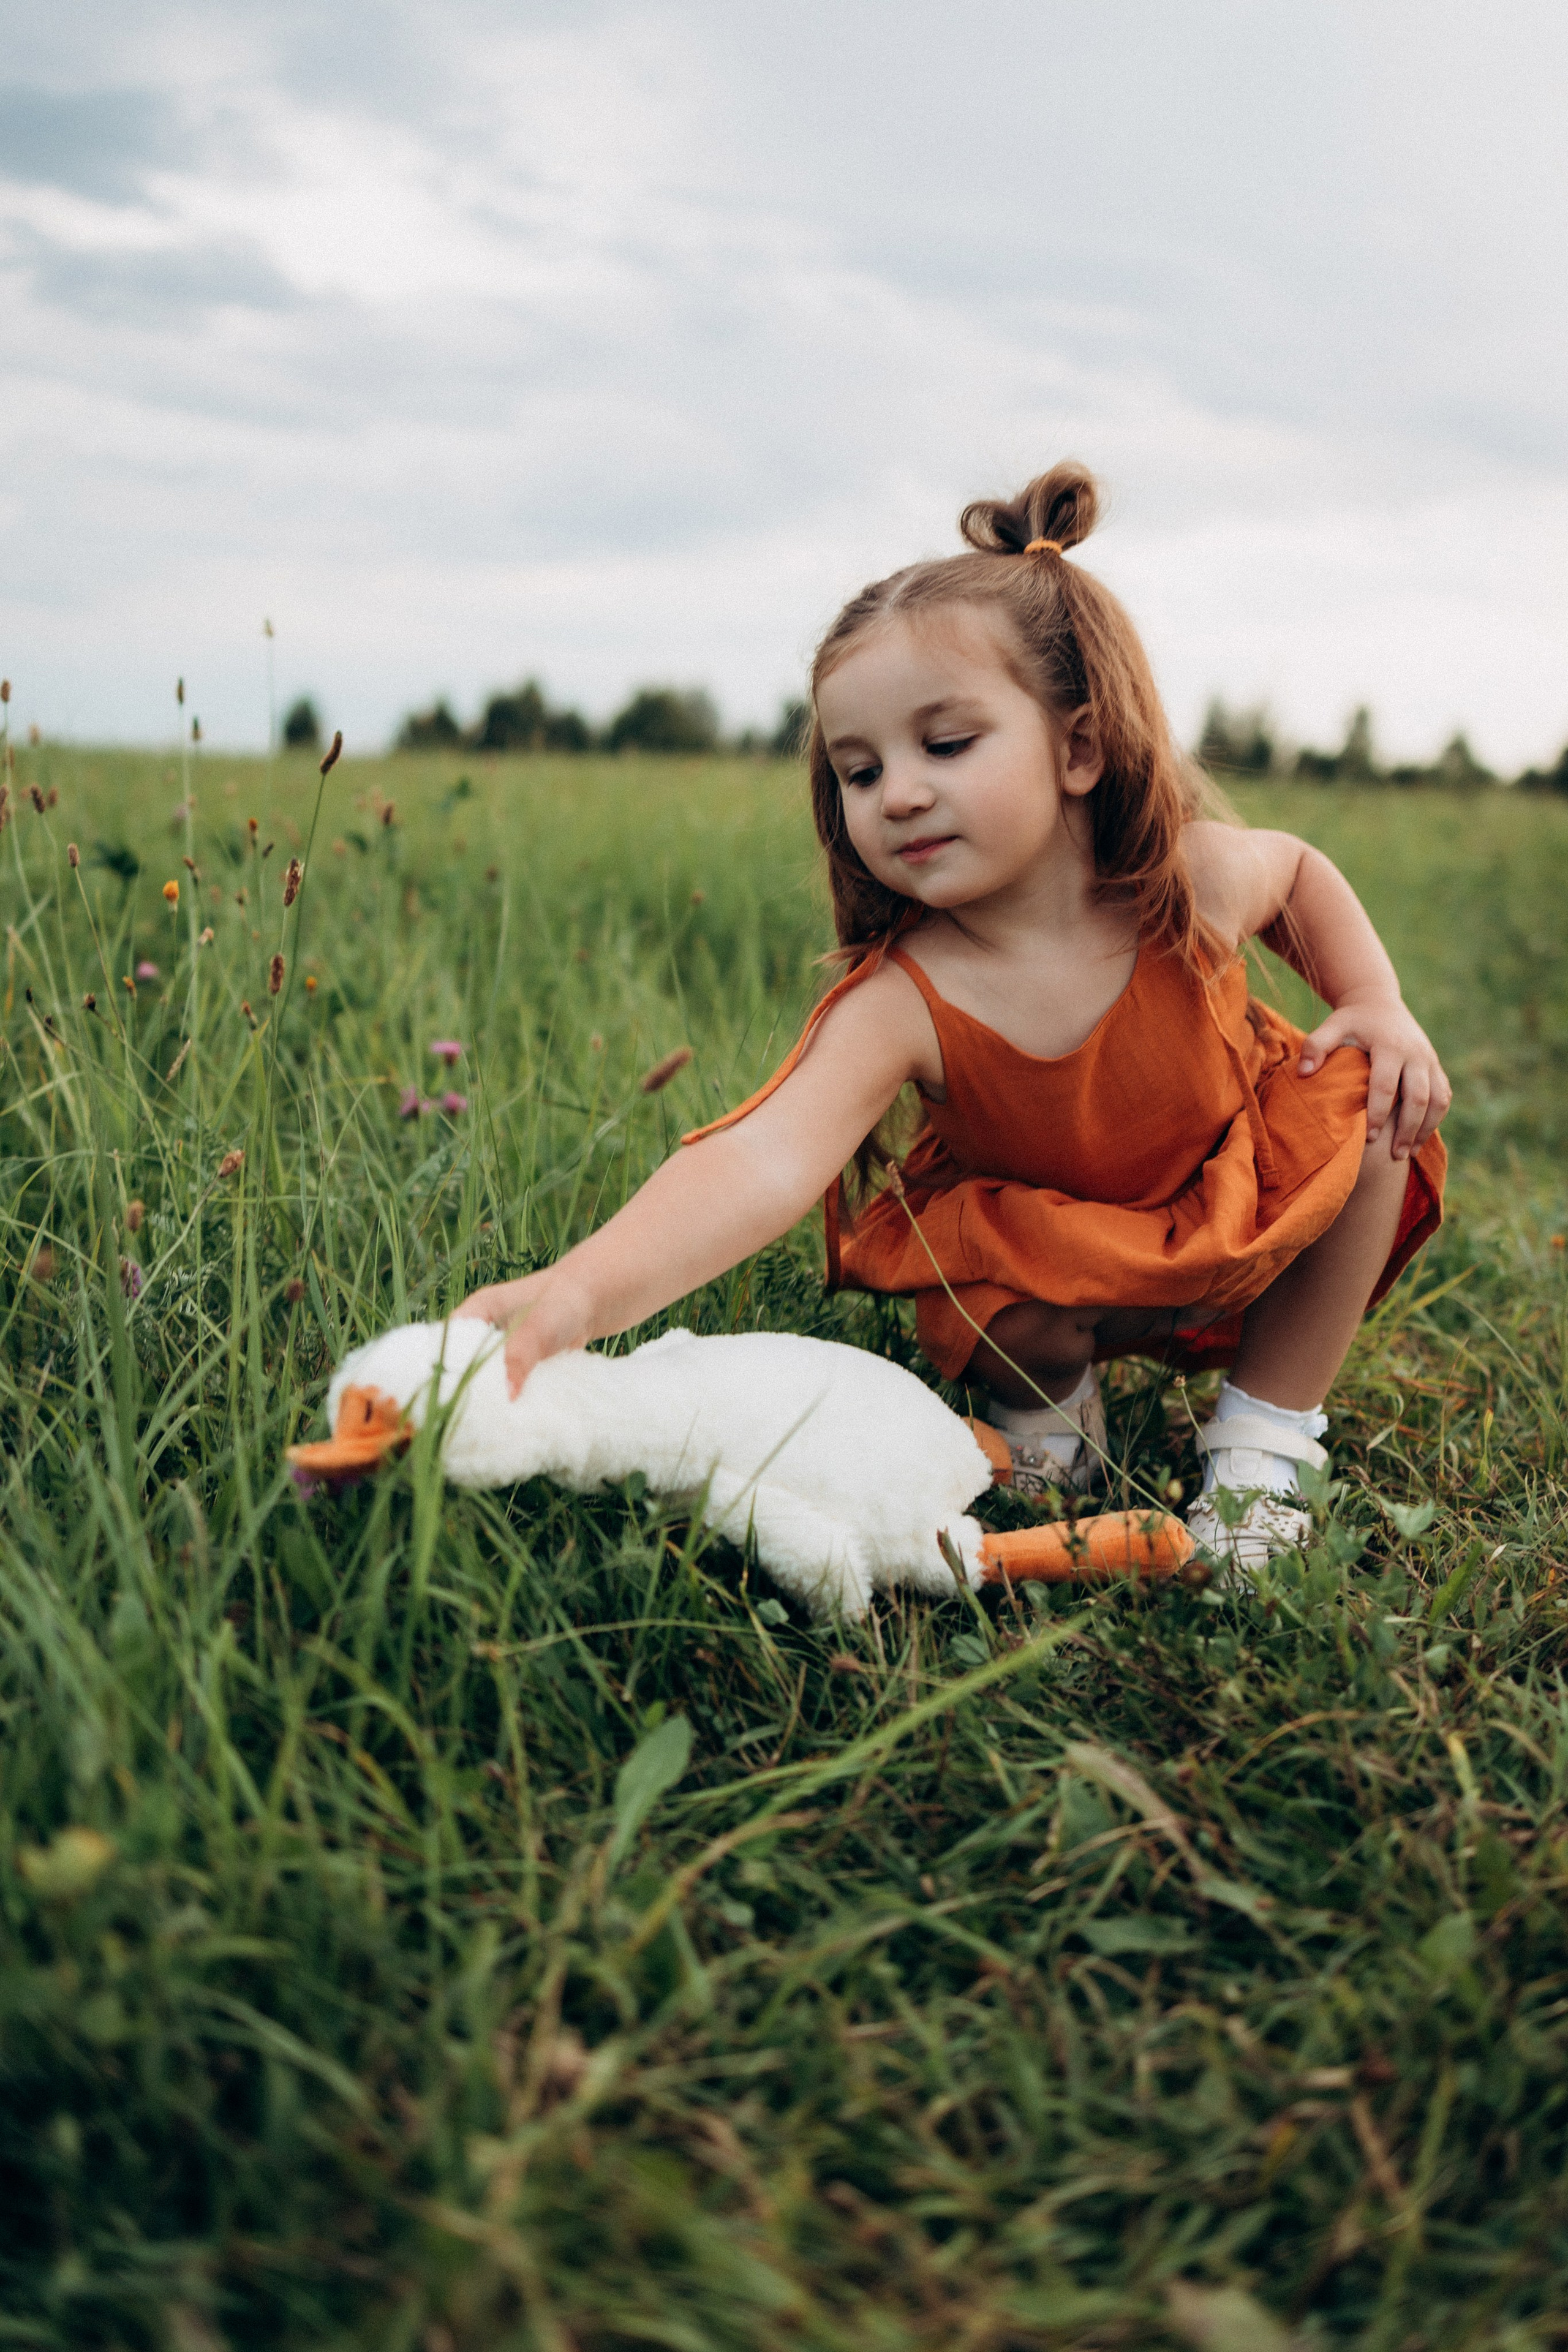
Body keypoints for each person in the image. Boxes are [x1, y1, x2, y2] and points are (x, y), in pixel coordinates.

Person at [458, 462, 1449, 1566]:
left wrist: (1373, 1002)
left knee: (1376, 1110)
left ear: (1077, 748)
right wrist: (578, 1292)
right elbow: (761, 1159)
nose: (898, 793)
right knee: (985, 1287)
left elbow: (1297, 868)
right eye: (859, 769)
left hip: (1232, 1206)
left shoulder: (1185, 887)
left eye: (945, 745)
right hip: (1057, 1275)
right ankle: (1052, 1429)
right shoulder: (907, 997)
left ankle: (1263, 1446)